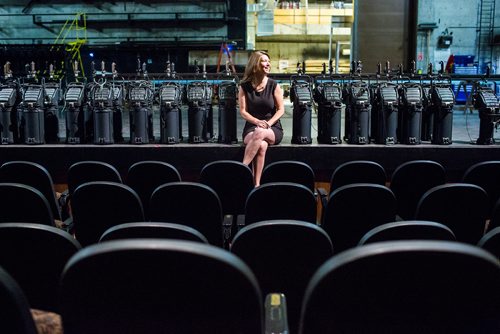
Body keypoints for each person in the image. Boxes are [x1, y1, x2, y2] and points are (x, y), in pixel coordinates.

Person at [239, 51, 285, 187]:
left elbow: (281, 109)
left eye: (268, 61)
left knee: (260, 132)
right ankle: (256, 184)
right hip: (252, 126)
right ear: (255, 65)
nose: (268, 64)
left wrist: (268, 124)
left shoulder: (273, 85)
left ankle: (241, 169)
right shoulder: (244, 86)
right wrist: (257, 122)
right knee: (262, 145)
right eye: (264, 61)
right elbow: (243, 111)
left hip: (272, 127)